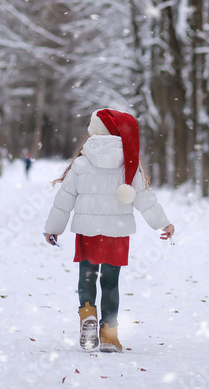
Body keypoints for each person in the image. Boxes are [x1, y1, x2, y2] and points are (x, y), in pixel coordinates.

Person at [43, 109, 174, 352]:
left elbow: (65, 198)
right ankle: (109, 335)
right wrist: (162, 223)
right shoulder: (129, 163)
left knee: (87, 276)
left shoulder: (81, 163)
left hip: (88, 231)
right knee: (111, 283)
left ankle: (87, 314)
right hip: (117, 231)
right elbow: (144, 198)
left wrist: (53, 228)